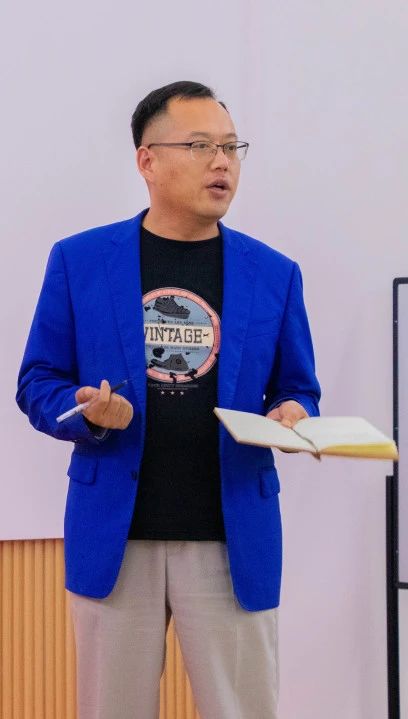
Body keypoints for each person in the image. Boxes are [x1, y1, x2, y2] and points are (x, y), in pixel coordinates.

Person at [16, 80, 321, 719]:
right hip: (116, 535)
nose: (222, 162)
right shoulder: (80, 261)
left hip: (232, 536)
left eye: (232, 147)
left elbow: (298, 388)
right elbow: (38, 382)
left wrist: (294, 415)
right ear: (147, 160)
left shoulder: (274, 273)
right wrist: (89, 415)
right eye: (201, 145)